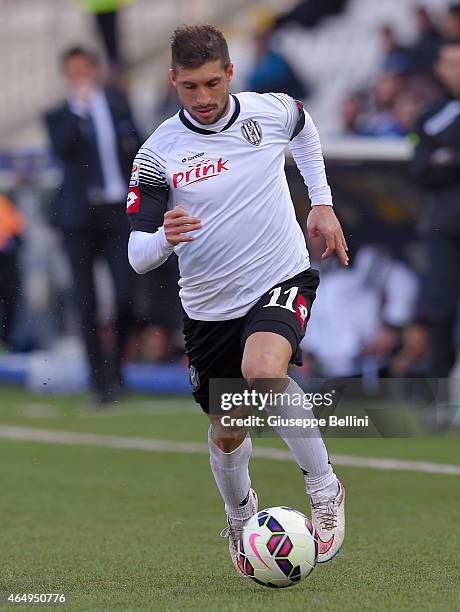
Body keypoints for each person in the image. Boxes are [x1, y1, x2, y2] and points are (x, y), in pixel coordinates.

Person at [127, 25, 348, 571]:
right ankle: (238, 512)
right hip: (207, 307)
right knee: (228, 432)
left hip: (280, 275)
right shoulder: (157, 153)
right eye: (189, 88)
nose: (202, 99)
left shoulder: (267, 111)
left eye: (210, 84)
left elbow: (303, 124)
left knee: (264, 371)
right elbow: (136, 254)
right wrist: (164, 238)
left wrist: (321, 202)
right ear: (172, 81)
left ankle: (324, 489)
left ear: (229, 73)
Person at [44, 47, 141, 405]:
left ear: (96, 70)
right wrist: (79, 111)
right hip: (79, 218)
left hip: (117, 212)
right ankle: (99, 382)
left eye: (85, 69)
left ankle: (117, 370)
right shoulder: (59, 114)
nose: (80, 77)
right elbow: (62, 149)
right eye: (73, 71)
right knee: (85, 301)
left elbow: (139, 147)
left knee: (125, 294)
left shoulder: (117, 105)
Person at [412, 38, 460, 395]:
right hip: (445, 225)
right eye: (451, 64)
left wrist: (447, 159)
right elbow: (420, 168)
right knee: (440, 309)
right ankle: (442, 396)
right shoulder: (429, 116)